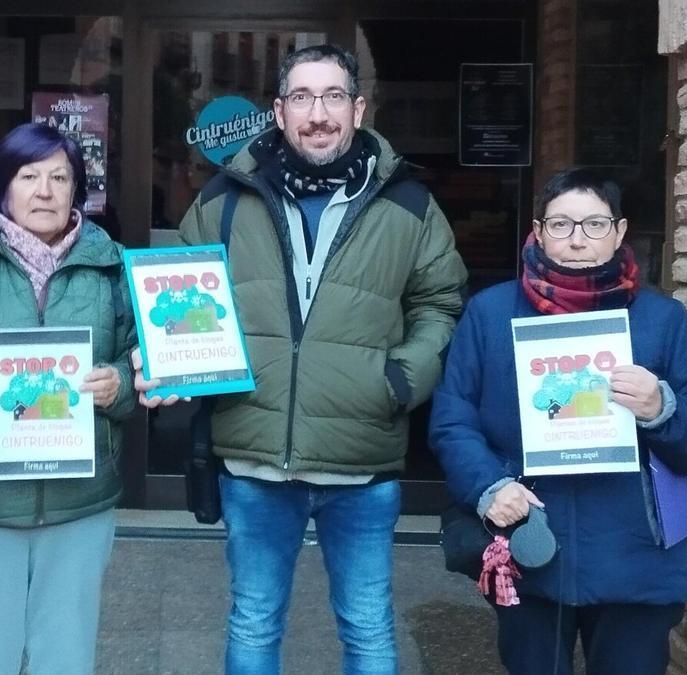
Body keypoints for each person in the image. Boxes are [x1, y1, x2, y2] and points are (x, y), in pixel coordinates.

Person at [136, 44, 467, 674]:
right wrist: (164, 359)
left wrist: (399, 380)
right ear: (279, 111)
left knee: (368, 624)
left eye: (334, 96)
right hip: (254, 454)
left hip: (361, 458)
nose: (319, 113)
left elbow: (440, 304)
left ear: (358, 107)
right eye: (303, 98)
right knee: (254, 621)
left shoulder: (409, 205)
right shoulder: (223, 200)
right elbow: (174, 296)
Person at [428, 168, 687, 675]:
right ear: (539, 230)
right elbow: (452, 421)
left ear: (618, 232)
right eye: (562, 225)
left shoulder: (662, 320)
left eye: (594, 225)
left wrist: (662, 410)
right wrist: (488, 486)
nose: (577, 241)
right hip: (531, 548)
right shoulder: (489, 315)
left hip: (635, 559)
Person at [0, 122, 137, 675]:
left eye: (59, 177)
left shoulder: (113, 266)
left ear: (78, 191)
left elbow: (146, 364)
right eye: (29, 176)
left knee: (65, 657)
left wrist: (119, 383)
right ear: (3, 185)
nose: (44, 191)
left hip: (80, 502)